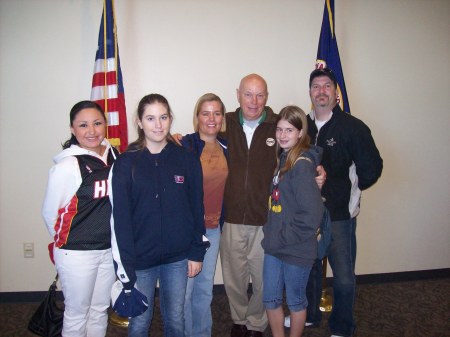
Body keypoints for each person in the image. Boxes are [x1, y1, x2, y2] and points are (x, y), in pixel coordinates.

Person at [109, 93, 209, 337]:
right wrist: (125, 266)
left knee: (175, 319)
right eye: (150, 118)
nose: (158, 125)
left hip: (177, 257)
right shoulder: (125, 164)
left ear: (170, 118)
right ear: (140, 122)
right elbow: (119, 220)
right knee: (140, 323)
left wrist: (196, 252)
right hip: (140, 259)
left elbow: (197, 208)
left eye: (163, 117)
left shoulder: (186, 159)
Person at [303, 68, 383, 337]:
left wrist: (351, 191)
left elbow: (372, 167)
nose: (321, 91)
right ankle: (311, 316)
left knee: (344, 277)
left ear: (336, 93)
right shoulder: (302, 125)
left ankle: (342, 325)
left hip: (339, 215)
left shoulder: (353, 127)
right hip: (307, 215)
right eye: (316, 86)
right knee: (309, 270)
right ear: (310, 92)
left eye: (327, 86)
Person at [42, 100, 118, 337]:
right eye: (83, 125)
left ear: (105, 124)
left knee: (99, 310)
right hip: (76, 253)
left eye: (97, 123)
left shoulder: (115, 155)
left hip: (108, 250)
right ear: (73, 129)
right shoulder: (68, 165)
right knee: (77, 313)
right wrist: (66, 245)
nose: (92, 131)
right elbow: (50, 213)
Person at [262, 105, 324, 337]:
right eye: (279, 129)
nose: (283, 135)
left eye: (289, 130)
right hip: (275, 246)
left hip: (296, 248)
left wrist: (283, 237)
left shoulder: (302, 165)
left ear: (300, 133)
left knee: (297, 301)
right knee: (270, 298)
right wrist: (273, 236)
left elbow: (312, 216)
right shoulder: (284, 159)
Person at [181, 93, 228, 337]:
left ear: (222, 117)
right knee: (185, 291)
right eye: (206, 113)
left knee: (205, 289)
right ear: (197, 116)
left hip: (213, 229)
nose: (211, 118)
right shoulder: (185, 145)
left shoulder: (228, 146)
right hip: (189, 231)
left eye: (217, 113)